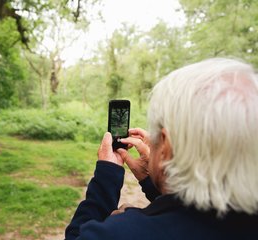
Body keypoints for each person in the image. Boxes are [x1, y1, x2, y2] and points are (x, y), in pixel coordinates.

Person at [65, 58, 258, 240]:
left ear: (165, 146)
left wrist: (106, 177)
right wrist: (155, 180)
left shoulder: (123, 233)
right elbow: (192, 214)